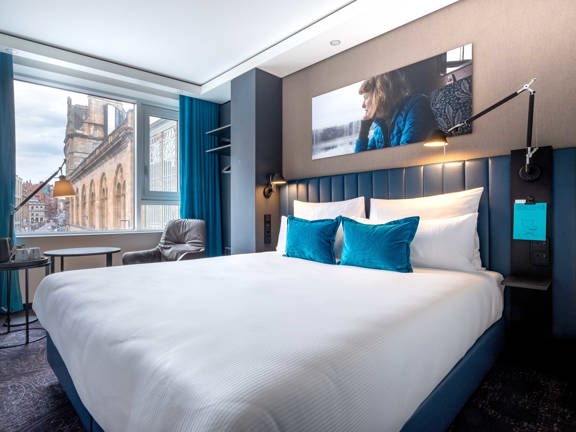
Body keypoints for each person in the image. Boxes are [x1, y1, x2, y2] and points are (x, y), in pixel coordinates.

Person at [355, 70, 437, 152]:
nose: (363, 105)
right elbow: (361, 161)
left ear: (379, 95)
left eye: (365, 98)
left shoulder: (416, 105)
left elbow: (407, 154)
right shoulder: (379, 127)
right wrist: (363, 131)